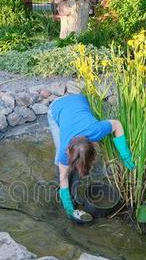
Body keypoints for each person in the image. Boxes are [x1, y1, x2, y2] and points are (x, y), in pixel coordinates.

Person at [48, 93, 135, 222]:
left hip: (77, 99)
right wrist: (68, 206)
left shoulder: (96, 131)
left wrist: (125, 154)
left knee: (75, 167)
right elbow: (63, 177)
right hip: (56, 108)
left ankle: (75, 185)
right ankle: (65, 194)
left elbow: (117, 125)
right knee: (62, 167)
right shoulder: (64, 151)